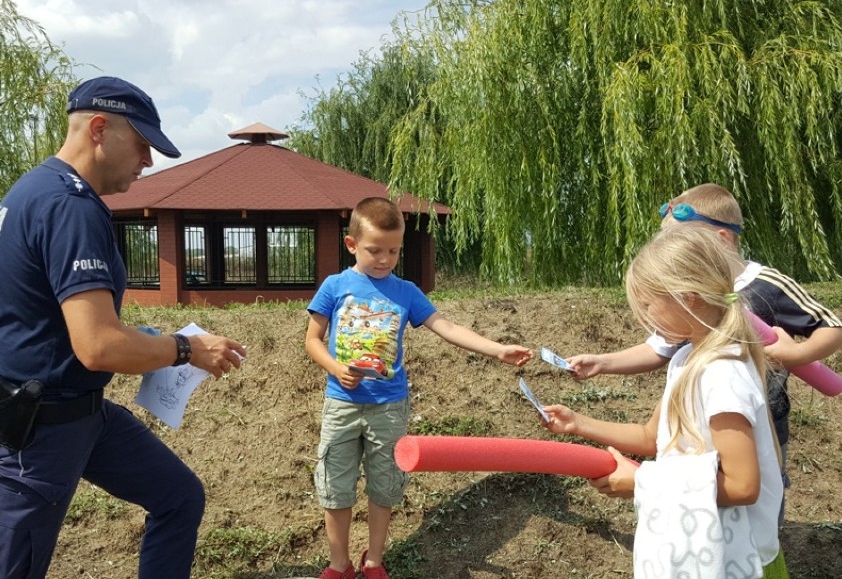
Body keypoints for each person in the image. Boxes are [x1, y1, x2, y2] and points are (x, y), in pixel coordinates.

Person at [0, 76, 246, 579]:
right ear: (98, 129)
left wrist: (145, 338)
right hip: (40, 430)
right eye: (142, 145)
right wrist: (184, 348)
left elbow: (51, 316)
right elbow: (99, 346)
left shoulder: (31, 190)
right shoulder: (69, 207)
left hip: (80, 412)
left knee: (177, 496)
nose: (148, 161)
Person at [565, 183, 842, 521]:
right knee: (715, 503)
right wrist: (603, 364)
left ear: (721, 242)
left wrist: (794, 355)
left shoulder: (763, 293)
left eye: (682, 247)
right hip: (700, 424)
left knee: (759, 508)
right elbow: (660, 350)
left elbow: (832, 328)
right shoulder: (688, 338)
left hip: (759, 416)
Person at [305, 197, 533, 579]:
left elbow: (447, 327)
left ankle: (374, 559)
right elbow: (312, 340)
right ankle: (338, 563)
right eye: (374, 250)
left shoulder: (406, 291)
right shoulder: (335, 286)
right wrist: (336, 368)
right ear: (351, 245)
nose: (384, 259)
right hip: (341, 403)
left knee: (386, 485)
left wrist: (498, 349)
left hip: (388, 407)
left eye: (393, 251)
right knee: (334, 484)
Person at [545, 224, 788, 578]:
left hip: (742, 561)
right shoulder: (686, 359)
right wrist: (578, 424)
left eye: (647, 304)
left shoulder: (722, 373)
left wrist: (642, 482)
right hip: (711, 548)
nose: (643, 316)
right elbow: (651, 437)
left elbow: (742, 485)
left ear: (686, 298)